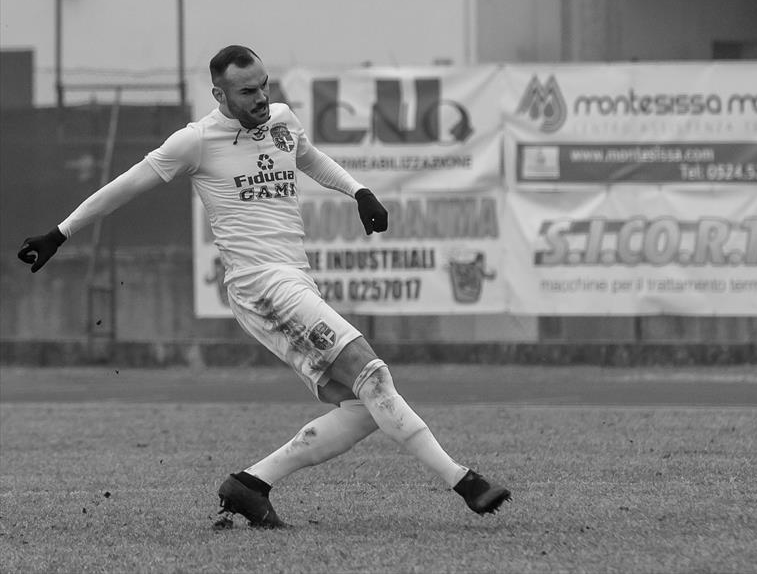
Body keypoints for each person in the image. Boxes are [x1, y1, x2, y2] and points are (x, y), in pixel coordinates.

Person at [17, 45, 510, 528]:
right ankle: (464, 482)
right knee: (373, 373)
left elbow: (310, 158)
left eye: (263, 86)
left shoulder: (281, 120)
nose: (260, 98)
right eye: (247, 91)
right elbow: (124, 185)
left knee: (363, 408)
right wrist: (60, 233)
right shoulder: (195, 141)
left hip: (294, 278)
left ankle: (251, 484)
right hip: (260, 284)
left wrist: (358, 191)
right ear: (219, 95)